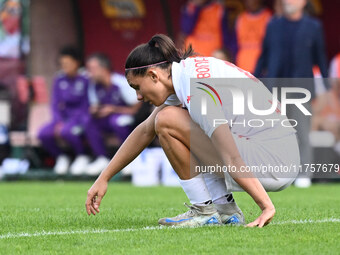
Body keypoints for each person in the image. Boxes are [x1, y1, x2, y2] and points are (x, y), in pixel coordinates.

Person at [85, 34, 300, 228]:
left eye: (137, 87)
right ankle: (226, 211)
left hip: (272, 161)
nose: (138, 97)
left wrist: (266, 206)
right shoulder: (184, 75)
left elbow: (232, 157)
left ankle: (204, 211)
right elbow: (144, 131)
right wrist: (104, 177)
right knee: (166, 120)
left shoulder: (197, 91)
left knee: (167, 120)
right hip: (277, 155)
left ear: (153, 75)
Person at [254, 0, 328, 188]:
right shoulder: (273, 25)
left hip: (301, 88)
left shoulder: (313, 26)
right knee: (274, 132)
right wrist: (253, 80)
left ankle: (304, 173)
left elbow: (320, 57)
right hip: (274, 87)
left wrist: (326, 87)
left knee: (301, 132)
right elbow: (264, 56)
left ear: (304, 2)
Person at [84, 53, 141, 176]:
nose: (89, 73)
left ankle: (129, 159)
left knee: (118, 122)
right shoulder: (93, 85)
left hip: (126, 118)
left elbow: (136, 108)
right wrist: (95, 110)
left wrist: (113, 109)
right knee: (88, 122)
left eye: (92, 69)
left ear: (103, 69)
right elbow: (95, 105)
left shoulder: (121, 82)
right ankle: (102, 158)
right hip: (106, 119)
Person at [38, 46, 89, 175]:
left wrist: (71, 122)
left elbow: (86, 104)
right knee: (43, 133)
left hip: (80, 118)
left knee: (67, 131)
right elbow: (55, 103)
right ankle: (61, 157)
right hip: (63, 117)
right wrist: (58, 120)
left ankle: (82, 156)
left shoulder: (85, 79)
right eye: (62, 64)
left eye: (68, 63)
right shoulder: (59, 78)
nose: (64, 67)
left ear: (77, 62)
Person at [235, 0, 272, 73]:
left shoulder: (269, 18)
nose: (249, 2)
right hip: (242, 67)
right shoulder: (241, 18)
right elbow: (235, 44)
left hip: (261, 70)